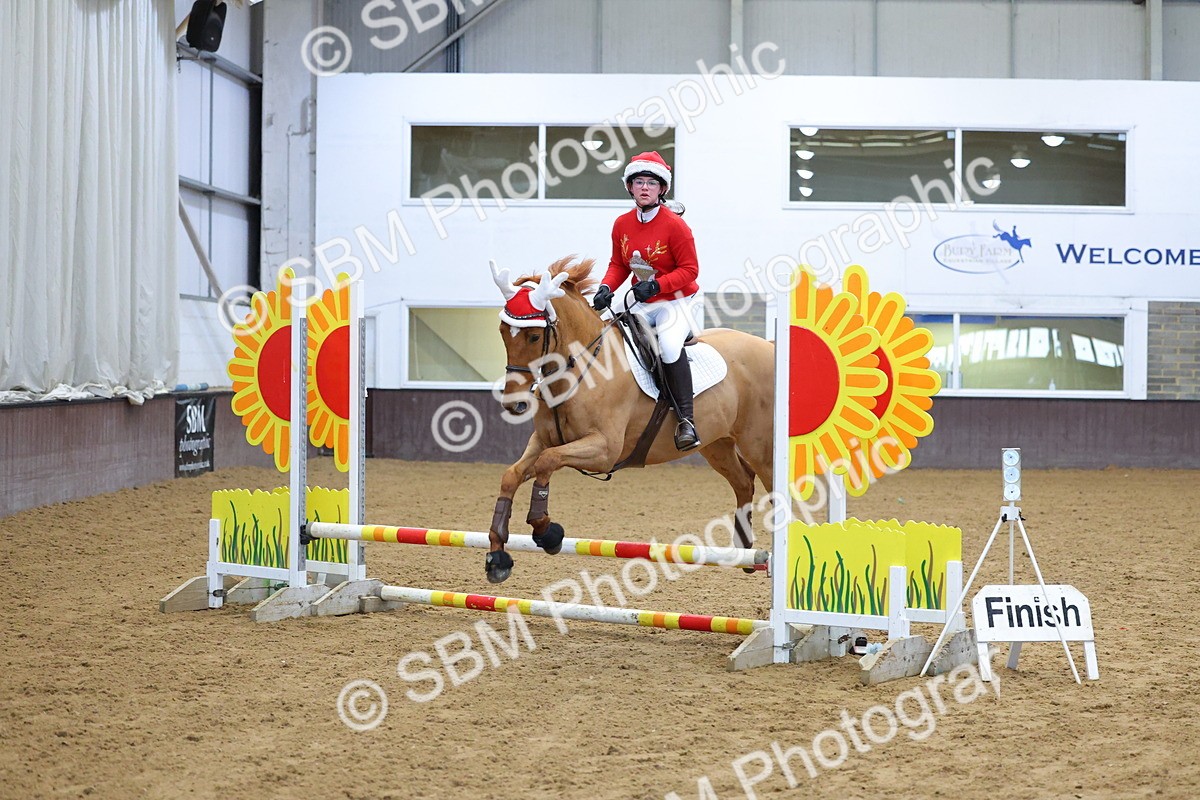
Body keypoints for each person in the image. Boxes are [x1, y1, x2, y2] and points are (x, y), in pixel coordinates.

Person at [591, 151, 701, 451]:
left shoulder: (676, 226)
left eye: (651, 183)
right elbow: (619, 264)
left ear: (661, 189)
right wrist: (605, 287)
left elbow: (690, 270)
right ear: (629, 186)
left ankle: (686, 421)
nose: (644, 187)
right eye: (638, 181)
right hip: (642, 299)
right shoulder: (622, 223)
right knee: (608, 336)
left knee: (666, 346)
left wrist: (656, 286)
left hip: (676, 300)